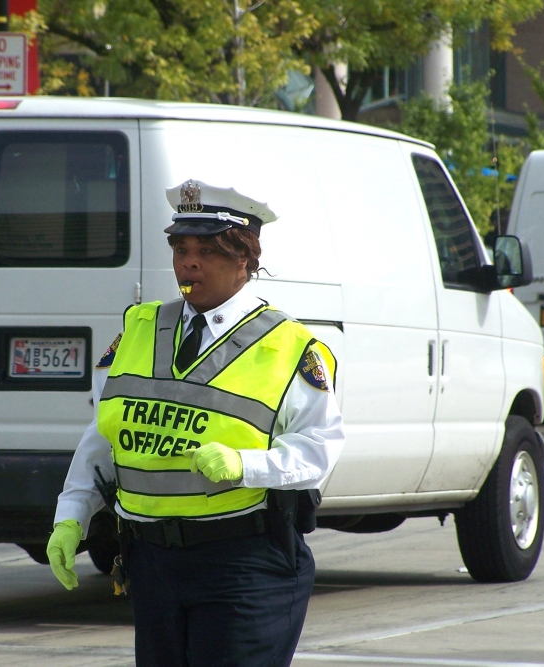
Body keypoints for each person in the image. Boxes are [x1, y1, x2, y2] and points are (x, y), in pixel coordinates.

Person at [46, 179, 344, 667]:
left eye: (207, 250)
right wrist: (71, 517)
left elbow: (320, 449)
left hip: (243, 561)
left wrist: (245, 465)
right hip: (152, 564)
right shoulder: (138, 330)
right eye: (181, 248)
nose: (189, 262)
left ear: (245, 258)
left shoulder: (290, 347)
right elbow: (103, 440)